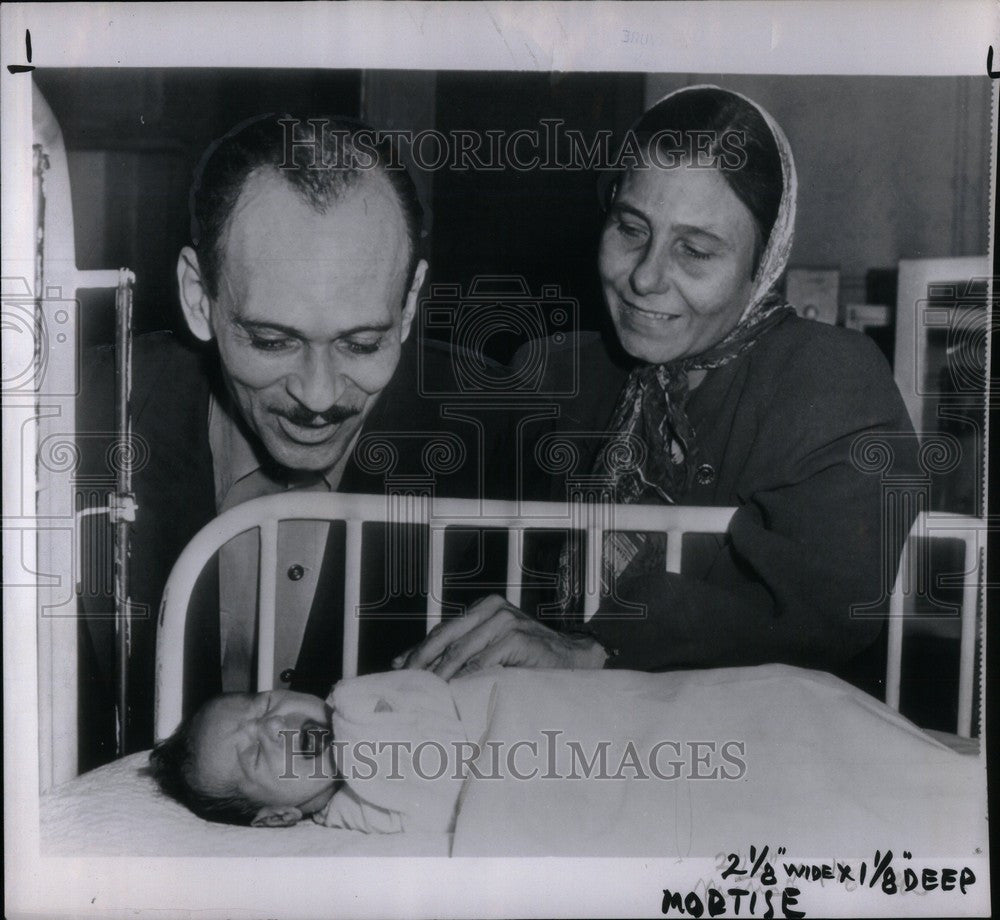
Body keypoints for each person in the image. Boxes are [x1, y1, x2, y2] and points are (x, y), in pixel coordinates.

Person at [395, 85, 919, 696]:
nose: (645, 276)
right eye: (630, 228)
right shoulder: (557, 373)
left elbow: (821, 615)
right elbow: (473, 569)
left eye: (694, 251)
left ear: (767, 260)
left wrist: (596, 650)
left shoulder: (827, 378)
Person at [76, 114, 496, 767]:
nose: (320, 395)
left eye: (363, 343)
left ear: (410, 303)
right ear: (198, 296)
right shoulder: (80, 412)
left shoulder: (489, 432)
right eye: (273, 341)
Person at [148, 670, 483, 831]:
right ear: (279, 814)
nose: (275, 726)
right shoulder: (351, 814)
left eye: (265, 704)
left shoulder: (354, 696)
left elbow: (435, 692)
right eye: (255, 756)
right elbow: (447, 812)